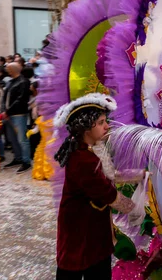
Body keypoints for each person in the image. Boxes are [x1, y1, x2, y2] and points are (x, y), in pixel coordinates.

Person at [53, 94, 140, 279]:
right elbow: (109, 195)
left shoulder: (93, 149)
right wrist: (139, 210)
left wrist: (144, 175)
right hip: (81, 232)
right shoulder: (83, 159)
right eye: (101, 122)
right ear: (86, 127)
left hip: (93, 230)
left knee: (97, 265)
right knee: (79, 269)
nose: (107, 126)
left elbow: (112, 175)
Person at [2, 62, 32, 174]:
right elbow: (5, 98)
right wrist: (4, 110)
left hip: (19, 114)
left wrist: (7, 111)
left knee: (22, 139)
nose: (7, 71)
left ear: (13, 69)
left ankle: (26, 161)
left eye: (9, 69)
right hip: (9, 114)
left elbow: (21, 99)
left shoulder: (24, 81)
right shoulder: (10, 82)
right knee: (12, 138)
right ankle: (18, 157)